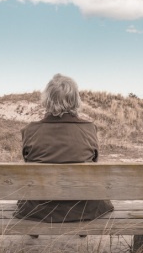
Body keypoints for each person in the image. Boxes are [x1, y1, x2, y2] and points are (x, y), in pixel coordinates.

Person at [13, 73, 114, 223]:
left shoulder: (30, 130)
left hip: (39, 209)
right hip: (83, 207)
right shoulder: (89, 129)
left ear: (47, 100)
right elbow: (94, 163)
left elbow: (28, 163)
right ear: (75, 100)